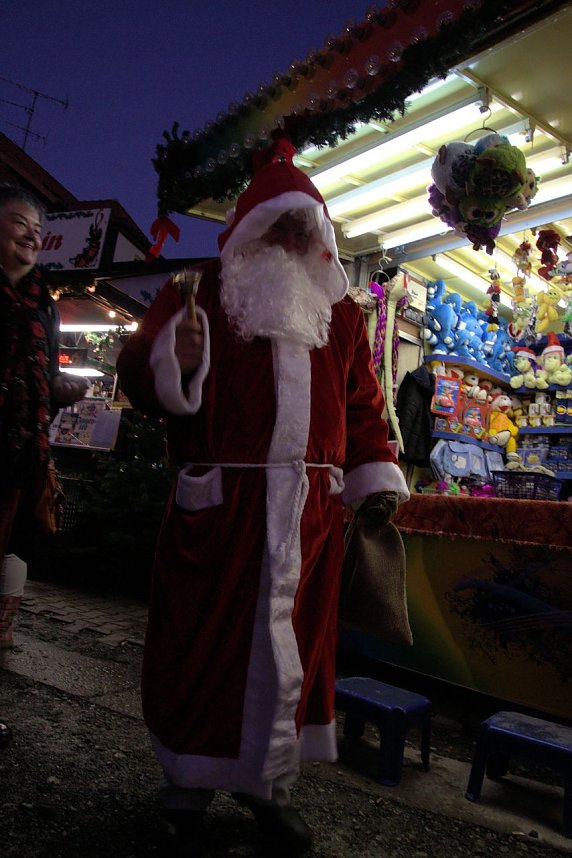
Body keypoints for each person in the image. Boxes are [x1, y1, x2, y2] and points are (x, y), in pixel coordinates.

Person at [117, 136, 409, 856]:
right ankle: (185, 786)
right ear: (247, 230)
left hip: (307, 516)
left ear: (317, 236)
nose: (286, 238)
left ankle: (269, 789)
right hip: (220, 513)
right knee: (201, 648)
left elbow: (365, 407)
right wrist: (174, 363)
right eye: (273, 224)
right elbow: (137, 376)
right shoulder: (201, 296)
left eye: (299, 227)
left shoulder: (339, 317)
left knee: (294, 654)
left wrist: (374, 480)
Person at [0, 184, 89, 744]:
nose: (31, 235)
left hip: (18, 461)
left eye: (36, 228)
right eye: (17, 223)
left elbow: (37, 386)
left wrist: (61, 388)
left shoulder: (43, 302)